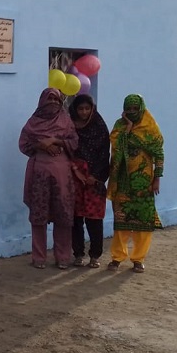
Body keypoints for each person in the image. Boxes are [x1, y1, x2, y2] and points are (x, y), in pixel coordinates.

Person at [19, 87, 78, 269]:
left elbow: (74, 142)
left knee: (63, 215)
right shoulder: (33, 122)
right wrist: (42, 145)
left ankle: (63, 257)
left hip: (62, 173)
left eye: (56, 99)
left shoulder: (65, 120)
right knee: (39, 215)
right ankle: (39, 257)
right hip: (39, 171)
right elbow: (24, 144)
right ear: (42, 101)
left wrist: (55, 141)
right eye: (49, 99)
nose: (52, 102)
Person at [106, 93, 164, 273]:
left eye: (135, 109)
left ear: (141, 108)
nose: (132, 112)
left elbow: (159, 154)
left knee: (143, 223)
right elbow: (116, 147)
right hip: (122, 181)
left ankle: (138, 259)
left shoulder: (150, 127)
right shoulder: (119, 126)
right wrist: (128, 128)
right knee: (121, 222)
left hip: (144, 183)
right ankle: (117, 258)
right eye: (128, 109)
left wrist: (157, 178)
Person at [68, 94, 110, 267]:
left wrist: (96, 176)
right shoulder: (70, 127)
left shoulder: (99, 127)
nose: (84, 112)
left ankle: (95, 256)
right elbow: (67, 151)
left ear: (92, 109)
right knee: (75, 219)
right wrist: (75, 170)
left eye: (87, 108)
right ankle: (78, 254)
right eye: (80, 109)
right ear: (75, 110)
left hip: (94, 180)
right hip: (75, 178)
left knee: (94, 219)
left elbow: (104, 154)